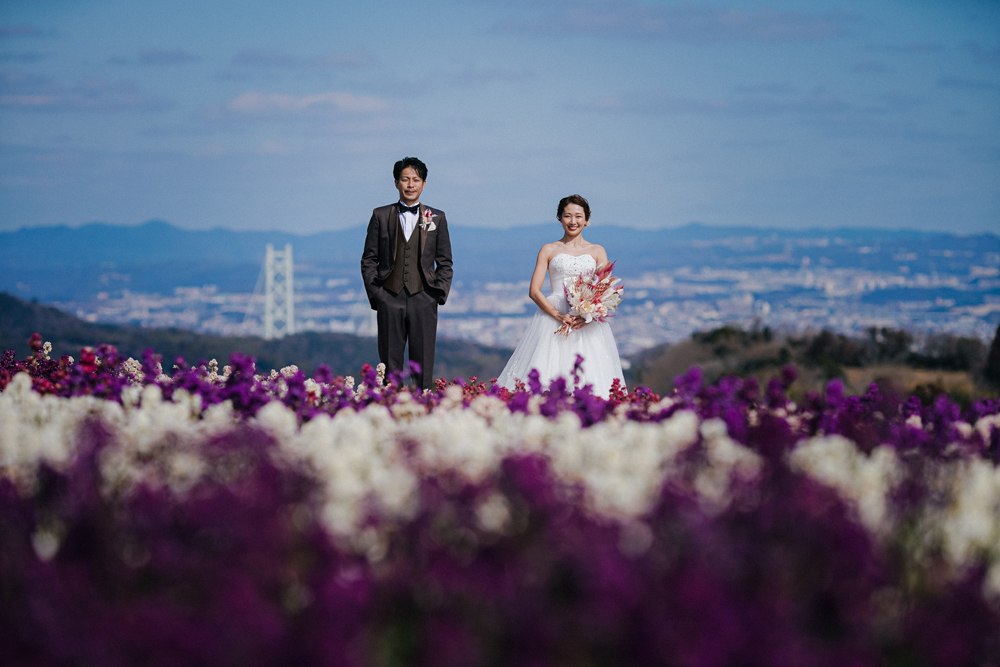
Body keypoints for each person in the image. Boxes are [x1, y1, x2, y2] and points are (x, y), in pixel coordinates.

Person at [496, 194, 625, 398]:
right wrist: (558, 315)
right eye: (567, 216)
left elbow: (606, 291)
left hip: (587, 323)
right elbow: (534, 291)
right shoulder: (548, 249)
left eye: (578, 216)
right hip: (552, 317)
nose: (573, 221)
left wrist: (587, 316)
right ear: (560, 218)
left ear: (587, 219)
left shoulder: (597, 251)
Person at [360, 157, 453, 390]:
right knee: (389, 366)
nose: (411, 184)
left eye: (416, 179)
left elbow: (445, 262)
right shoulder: (380, 215)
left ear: (423, 184)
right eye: (405, 179)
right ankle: (390, 404)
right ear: (396, 183)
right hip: (389, 297)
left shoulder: (437, 217)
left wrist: (437, 294)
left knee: (423, 365)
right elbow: (369, 259)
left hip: (424, 298)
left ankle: (423, 404)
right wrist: (377, 295)